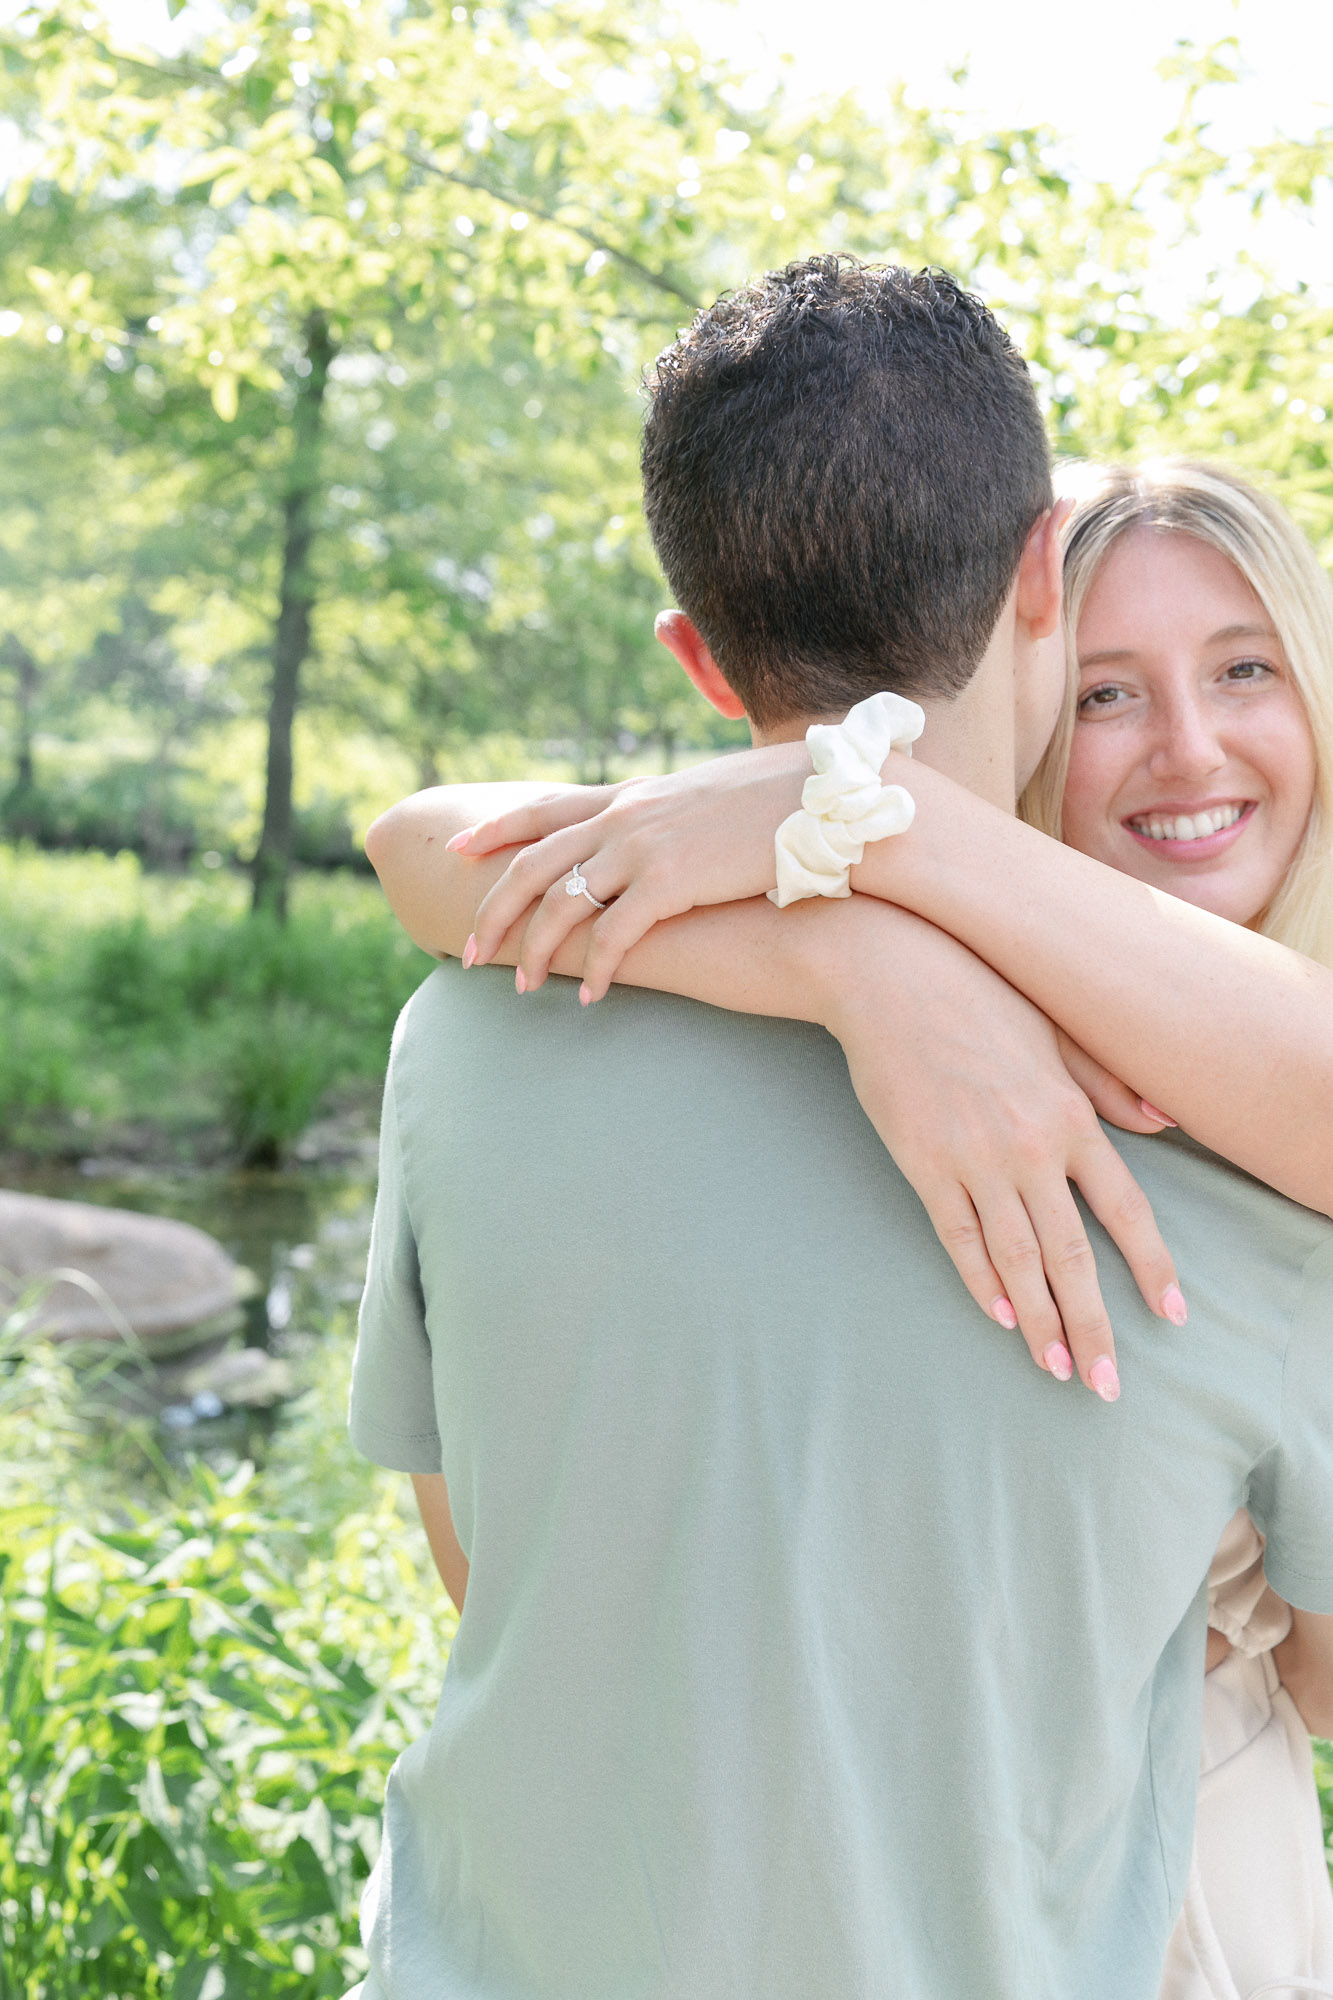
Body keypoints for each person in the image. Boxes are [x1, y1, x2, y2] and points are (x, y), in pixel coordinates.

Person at [350, 259, 1333, 1999]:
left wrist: (866, 864)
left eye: (1246, 666)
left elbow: (481, 1563)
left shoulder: (466, 1045)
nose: (1183, 746)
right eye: (1109, 686)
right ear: (1036, 588)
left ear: (699, 663)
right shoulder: (1221, 1174)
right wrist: (869, 956)